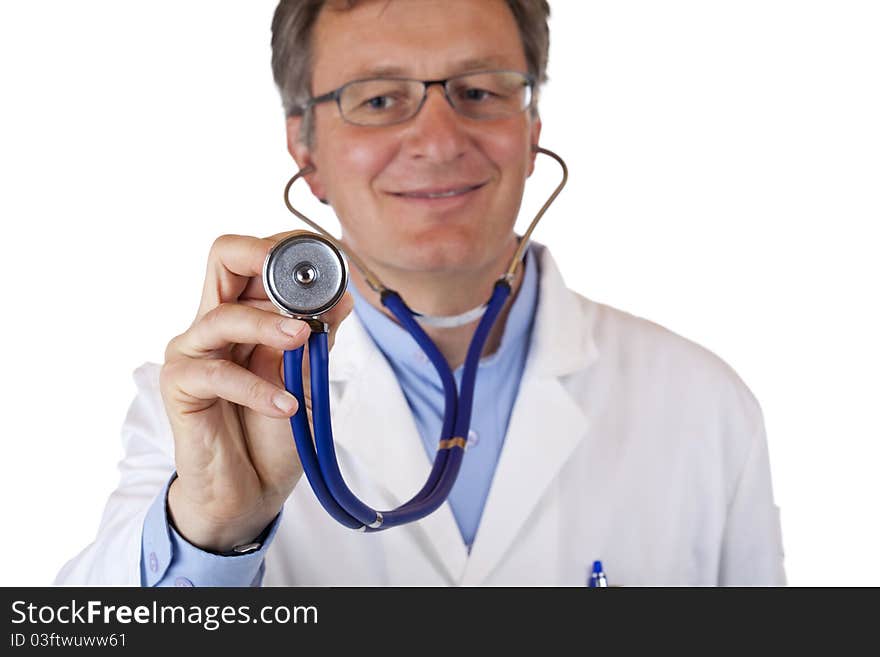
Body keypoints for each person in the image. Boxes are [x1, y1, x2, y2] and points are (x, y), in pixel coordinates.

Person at [55, 0, 785, 586]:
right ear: (306, 152)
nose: (438, 140)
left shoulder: (704, 403)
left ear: (531, 129)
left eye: (478, 91)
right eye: (378, 99)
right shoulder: (204, 411)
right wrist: (212, 530)